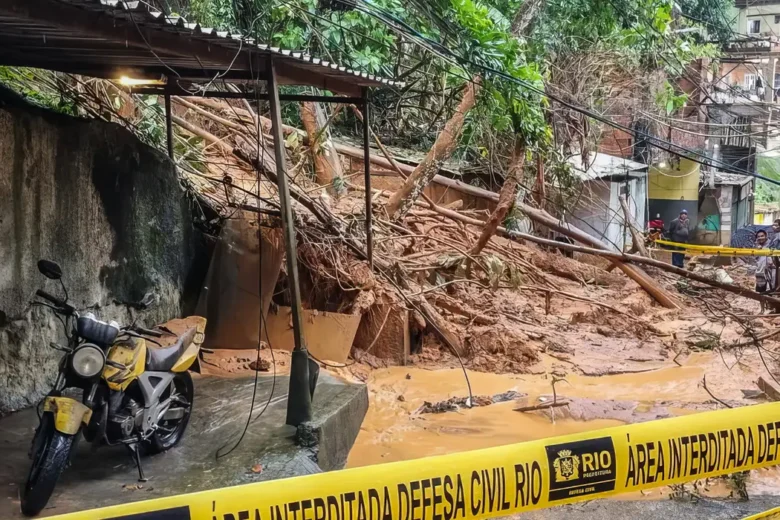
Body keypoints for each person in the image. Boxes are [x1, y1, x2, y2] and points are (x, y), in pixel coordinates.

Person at [756, 230, 776, 312]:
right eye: (759, 236)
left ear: (766, 236)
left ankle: (772, 308)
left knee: (772, 290)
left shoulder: (772, 245)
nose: (760, 238)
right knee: (761, 291)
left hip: (771, 272)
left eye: (762, 236)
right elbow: (754, 259)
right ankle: (762, 310)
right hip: (760, 272)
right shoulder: (756, 247)